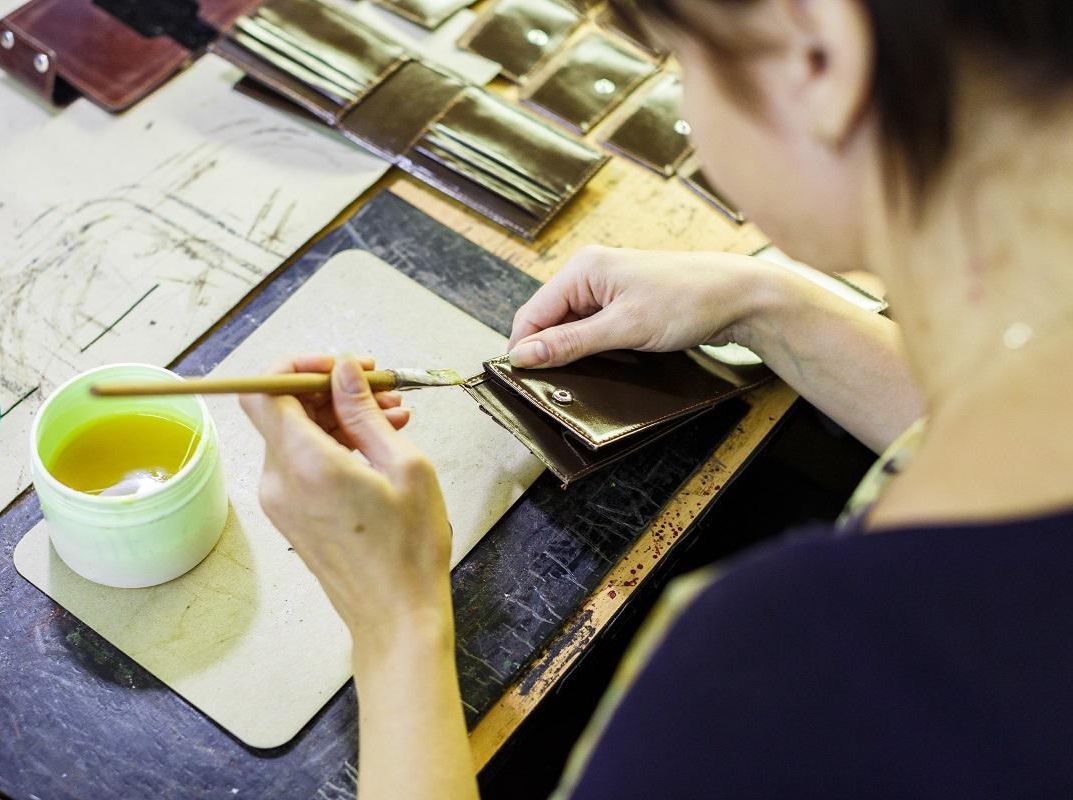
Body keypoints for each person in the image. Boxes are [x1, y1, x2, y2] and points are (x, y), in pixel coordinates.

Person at [240, 0, 1073, 796]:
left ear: (822, 59)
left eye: (682, 63)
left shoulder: (787, 669)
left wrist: (395, 623)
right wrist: (764, 304)